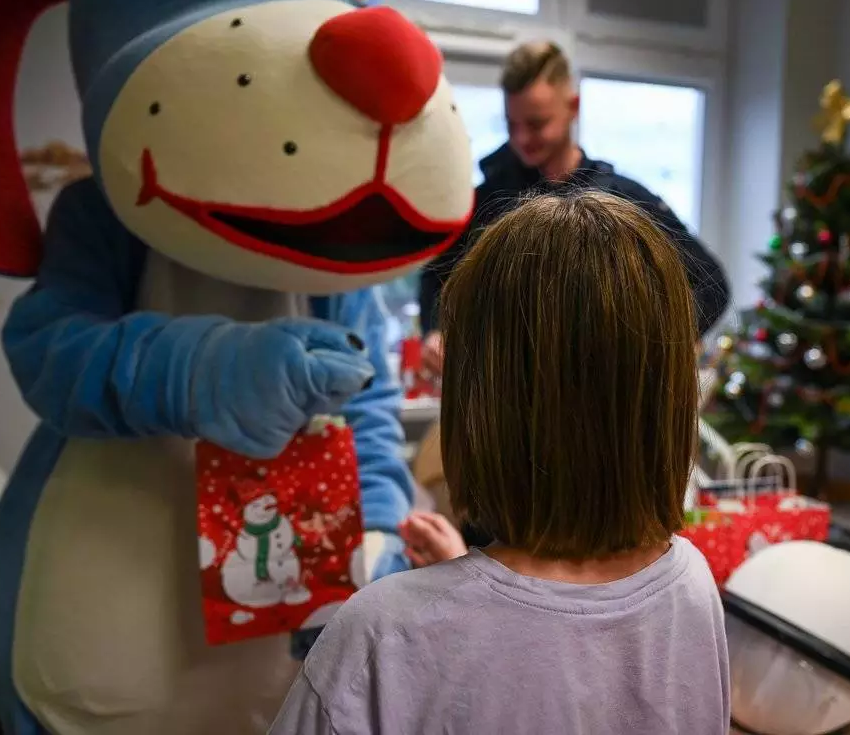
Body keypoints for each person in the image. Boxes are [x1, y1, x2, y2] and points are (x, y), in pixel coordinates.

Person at [269, 191, 731, 735]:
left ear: (476, 400)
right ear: (667, 398)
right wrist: (463, 577)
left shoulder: (380, 636)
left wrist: (451, 594)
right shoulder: (692, 587)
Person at [418, 39, 731, 379]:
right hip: (509, 396)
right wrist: (436, 332)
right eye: (512, 125)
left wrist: (659, 347)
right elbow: (437, 276)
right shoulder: (490, 199)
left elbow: (710, 282)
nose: (522, 138)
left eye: (536, 123)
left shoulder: (623, 198)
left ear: (573, 107)